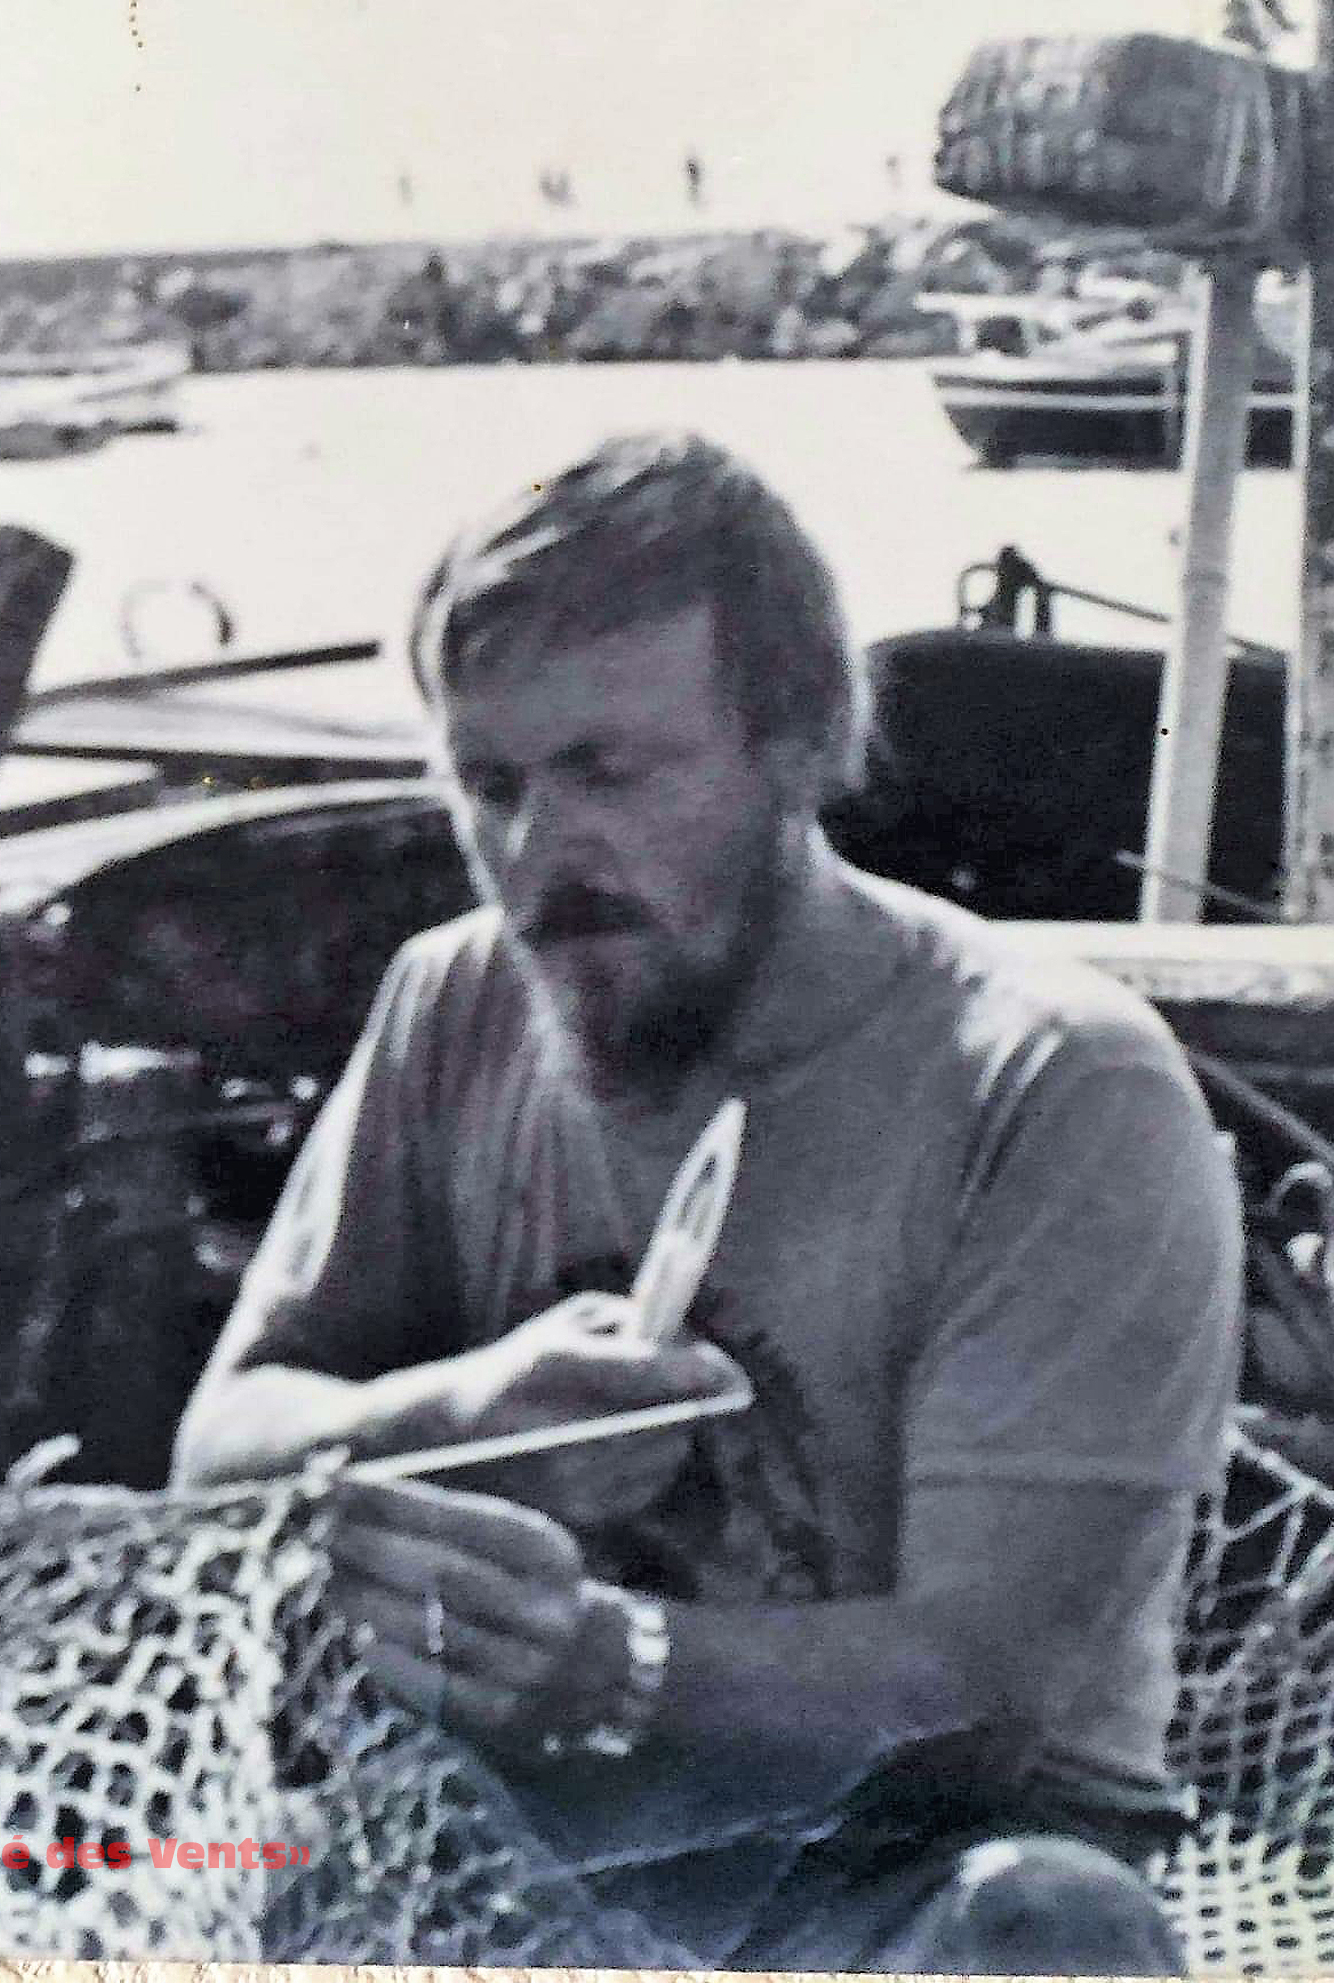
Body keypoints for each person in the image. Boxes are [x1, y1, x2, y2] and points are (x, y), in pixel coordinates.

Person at [171, 433, 1240, 1972]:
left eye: (608, 773)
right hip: (516, 1846)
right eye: (490, 786)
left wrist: (612, 1666)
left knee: (1047, 1924)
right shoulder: (454, 1001)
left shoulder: (1056, 1085)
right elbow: (220, 1447)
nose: (539, 853)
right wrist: (466, 1416)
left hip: (908, 1866)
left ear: (801, 746)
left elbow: (996, 1684)